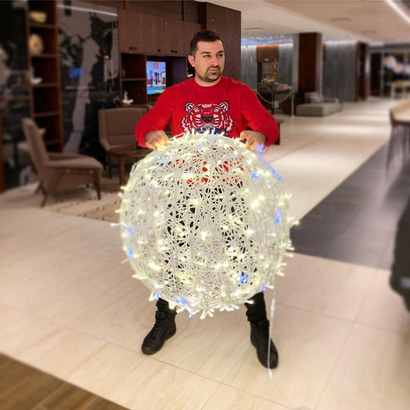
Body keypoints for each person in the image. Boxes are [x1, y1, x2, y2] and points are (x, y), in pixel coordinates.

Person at [135, 30, 280, 369]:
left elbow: (268, 125)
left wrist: (259, 133)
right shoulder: (175, 95)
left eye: (219, 55)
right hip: (184, 190)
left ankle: (259, 327)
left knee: (244, 258)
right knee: (172, 257)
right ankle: (165, 320)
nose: (215, 62)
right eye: (207, 56)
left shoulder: (239, 92)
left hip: (230, 190)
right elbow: (146, 125)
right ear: (192, 60)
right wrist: (151, 133)